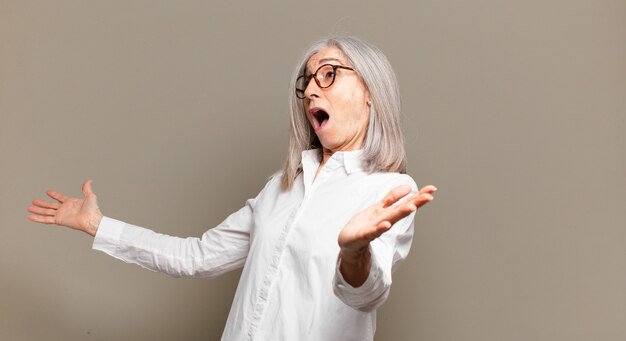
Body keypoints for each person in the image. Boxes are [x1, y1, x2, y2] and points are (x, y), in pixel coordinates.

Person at [27, 36, 437, 341]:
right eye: (307, 81)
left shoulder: (391, 189)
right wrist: (99, 225)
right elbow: (197, 256)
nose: (311, 89)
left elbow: (367, 295)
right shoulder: (280, 187)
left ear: (370, 92)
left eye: (329, 74)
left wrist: (354, 252)